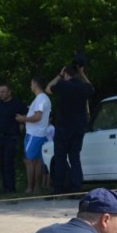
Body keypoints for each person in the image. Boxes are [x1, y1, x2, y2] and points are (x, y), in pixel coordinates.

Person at [47, 63, 94, 194]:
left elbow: (48, 89)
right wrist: (82, 74)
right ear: (77, 74)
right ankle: (76, 188)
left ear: (66, 74)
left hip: (63, 127)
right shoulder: (83, 87)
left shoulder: (62, 85)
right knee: (75, 158)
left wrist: (59, 75)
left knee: (60, 158)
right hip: (78, 128)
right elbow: (91, 88)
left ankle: (58, 188)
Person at [0, 83, 28, 193]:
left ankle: (11, 187)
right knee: (2, 162)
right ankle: (5, 187)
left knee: (8, 161)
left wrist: (22, 124)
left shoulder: (17, 104)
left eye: (3, 91)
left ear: (9, 92)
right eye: (0, 92)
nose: (1, 94)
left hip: (12, 137)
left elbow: (27, 113)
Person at [15, 76, 51, 194]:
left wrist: (23, 119)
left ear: (35, 84)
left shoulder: (40, 98)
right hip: (40, 134)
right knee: (38, 161)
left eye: (31, 83)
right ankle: (37, 188)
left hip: (34, 134)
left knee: (29, 161)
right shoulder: (44, 98)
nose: (30, 86)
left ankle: (31, 188)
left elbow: (37, 116)